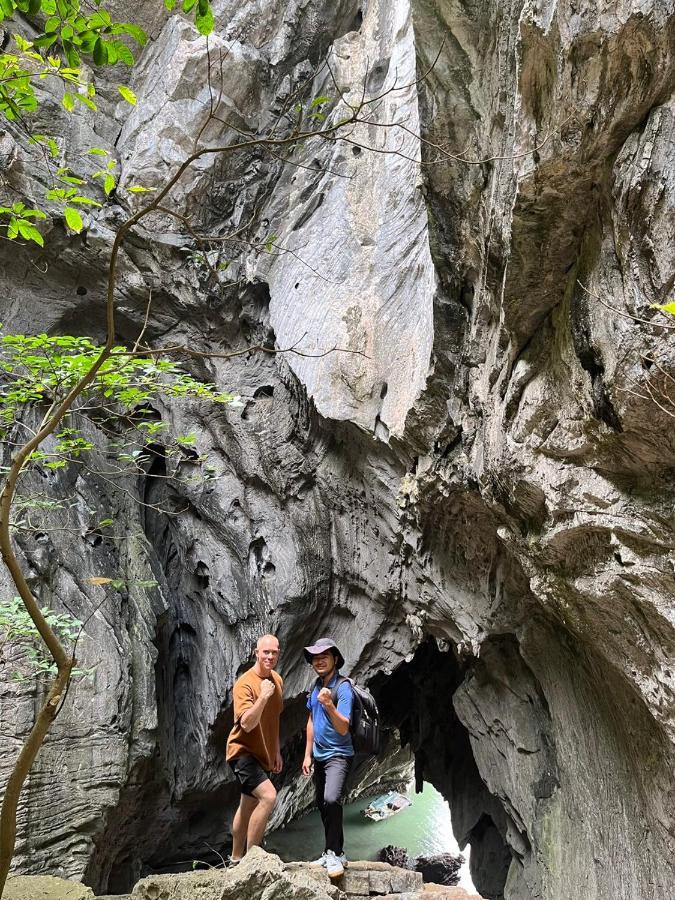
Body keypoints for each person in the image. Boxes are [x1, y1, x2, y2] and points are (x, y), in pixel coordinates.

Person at [226, 634, 283, 864]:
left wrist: (276, 750)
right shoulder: (245, 683)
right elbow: (247, 723)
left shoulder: (277, 680)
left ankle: (235, 858)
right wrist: (263, 696)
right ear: (256, 653)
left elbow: (275, 718)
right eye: (265, 652)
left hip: (263, 754)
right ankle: (252, 861)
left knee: (247, 804)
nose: (270, 656)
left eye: (274, 652)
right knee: (268, 796)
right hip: (242, 751)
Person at [302, 637, 354, 879]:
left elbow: (344, 727)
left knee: (332, 799)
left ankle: (333, 852)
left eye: (324, 656)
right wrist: (307, 755)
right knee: (322, 804)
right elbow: (311, 720)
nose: (319, 660)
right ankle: (335, 851)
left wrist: (328, 705)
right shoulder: (315, 687)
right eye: (315, 657)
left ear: (335, 659)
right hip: (320, 756)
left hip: (339, 755)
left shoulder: (343, 687)